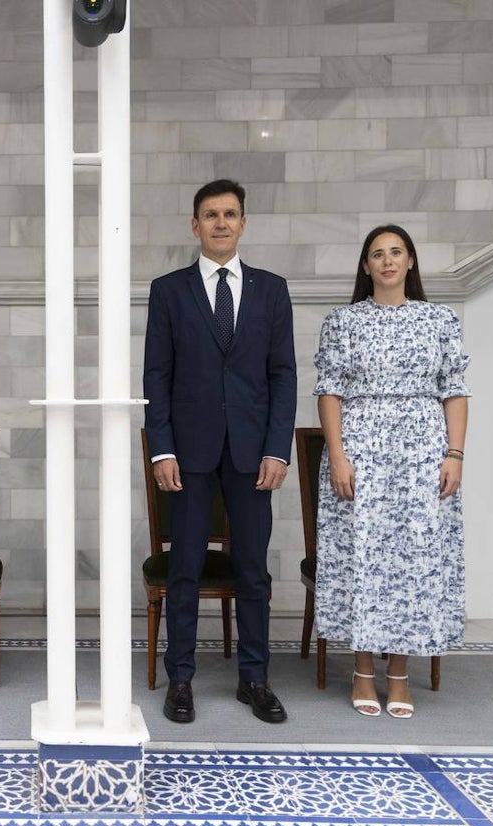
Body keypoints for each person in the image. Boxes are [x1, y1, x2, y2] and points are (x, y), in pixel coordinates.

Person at [143, 179, 296, 725]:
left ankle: (254, 677)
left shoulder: (272, 290)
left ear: (244, 223)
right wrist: (161, 449)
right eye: (211, 215)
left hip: (255, 456)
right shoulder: (169, 290)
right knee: (184, 569)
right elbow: (156, 377)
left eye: (231, 214)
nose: (221, 223)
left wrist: (279, 449)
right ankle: (180, 678)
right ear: (195, 225)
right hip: (188, 454)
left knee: (253, 571)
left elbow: (283, 376)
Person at [313, 224, 469, 719]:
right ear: (365, 266)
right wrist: (337, 455)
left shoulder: (439, 319)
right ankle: (361, 669)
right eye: (377, 254)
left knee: (412, 557)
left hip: (422, 450)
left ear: (410, 262)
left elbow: (455, 389)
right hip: (360, 448)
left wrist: (455, 454)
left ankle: (399, 674)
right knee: (363, 554)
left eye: (396, 252)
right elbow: (329, 390)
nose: (387, 261)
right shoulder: (342, 321)